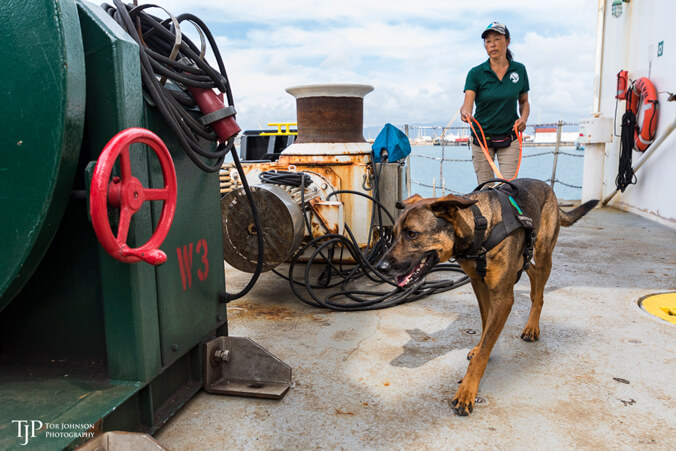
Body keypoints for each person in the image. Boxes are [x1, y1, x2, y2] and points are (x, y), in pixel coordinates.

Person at [460, 21, 530, 185]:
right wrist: (465, 112)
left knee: (508, 188)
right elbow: (468, 102)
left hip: (509, 136)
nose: (492, 44)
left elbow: (524, 101)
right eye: (488, 41)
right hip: (482, 138)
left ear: (507, 41)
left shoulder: (519, 70)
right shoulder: (476, 73)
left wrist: (524, 119)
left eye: (497, 39)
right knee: (486, 190)